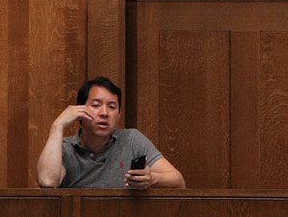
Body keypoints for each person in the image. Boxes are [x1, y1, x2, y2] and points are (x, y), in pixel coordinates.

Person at [36, 75, 185, 190]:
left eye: (112, 107)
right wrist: (57, 125)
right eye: (96, 105)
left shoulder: (131, 140)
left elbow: (178, 181)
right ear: (79, 111)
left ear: (118, 115)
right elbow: (47, 182)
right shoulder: (64, 148)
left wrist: (152, 179)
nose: (104, 113)